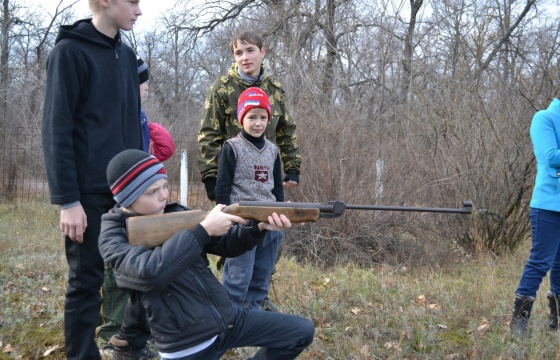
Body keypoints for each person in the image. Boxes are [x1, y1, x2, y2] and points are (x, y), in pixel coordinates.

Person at [98, 149, 315, 360]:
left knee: (300, 332)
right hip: (186, 345)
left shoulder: (175, 212)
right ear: (127, 198)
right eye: (152, 192)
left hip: (227, 320)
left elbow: (227, 245)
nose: (164, 195)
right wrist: (202, 231)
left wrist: (258, 227)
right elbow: (149, 272)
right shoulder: (114, 236)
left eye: (164, 186)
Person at [40, 0, 146, 358]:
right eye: (132, 1)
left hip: (128, 194)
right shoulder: (69, 52)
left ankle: (128, 344)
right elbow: (57, 129)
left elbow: (133, 130)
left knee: (140, 275)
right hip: (86, 196)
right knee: (86, 283)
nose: (139, 10)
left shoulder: (129, 57)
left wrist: (142, 186)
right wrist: (68, 201)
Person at [197, 30, 301, 310]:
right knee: (236, 247)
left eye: (250, 51)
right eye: (238, 53)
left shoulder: (275, 89)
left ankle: (257, 301)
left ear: (262, 52)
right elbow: (208, 134)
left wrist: (291, 167)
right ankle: (231, 306)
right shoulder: (221, 88)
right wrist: (211, 176)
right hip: (233, 187)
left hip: (265, 183)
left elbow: (286, 131)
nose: (245, 58)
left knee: (268, 246)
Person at [96, 57, 174, 357]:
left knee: (141, 275)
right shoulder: (114, 114)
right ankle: (113, 334)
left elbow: (161, 151)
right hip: (119, 203)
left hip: (142, 205)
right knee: (116, 274)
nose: (146, 89)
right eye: (142, 84)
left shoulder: (138, 115)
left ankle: (137, 334)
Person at [215, 87, 283, 310]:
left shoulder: (273, 150)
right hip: (242, 222)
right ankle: (229, 320)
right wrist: (225, 215)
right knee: (238, 276)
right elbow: (222, 187)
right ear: (241, 118)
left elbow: (277, 187)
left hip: (270, 220)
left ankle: (253, 317)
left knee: (261, 275)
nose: (258, 123)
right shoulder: (232, 147)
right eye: (252, 117)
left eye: (263, 117)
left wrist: (281, 212)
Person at [510, 98, 560, 338]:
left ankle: (556, 319)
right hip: (548, 204)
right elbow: (551, 157)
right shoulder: (544, 118)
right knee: (541, 261)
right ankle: (519, 321)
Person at [137, 57, 175, 162]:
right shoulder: (126, 117)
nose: (147, 87)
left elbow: (165, 149)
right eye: (143, 82)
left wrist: (148, 126)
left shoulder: (140, 116)